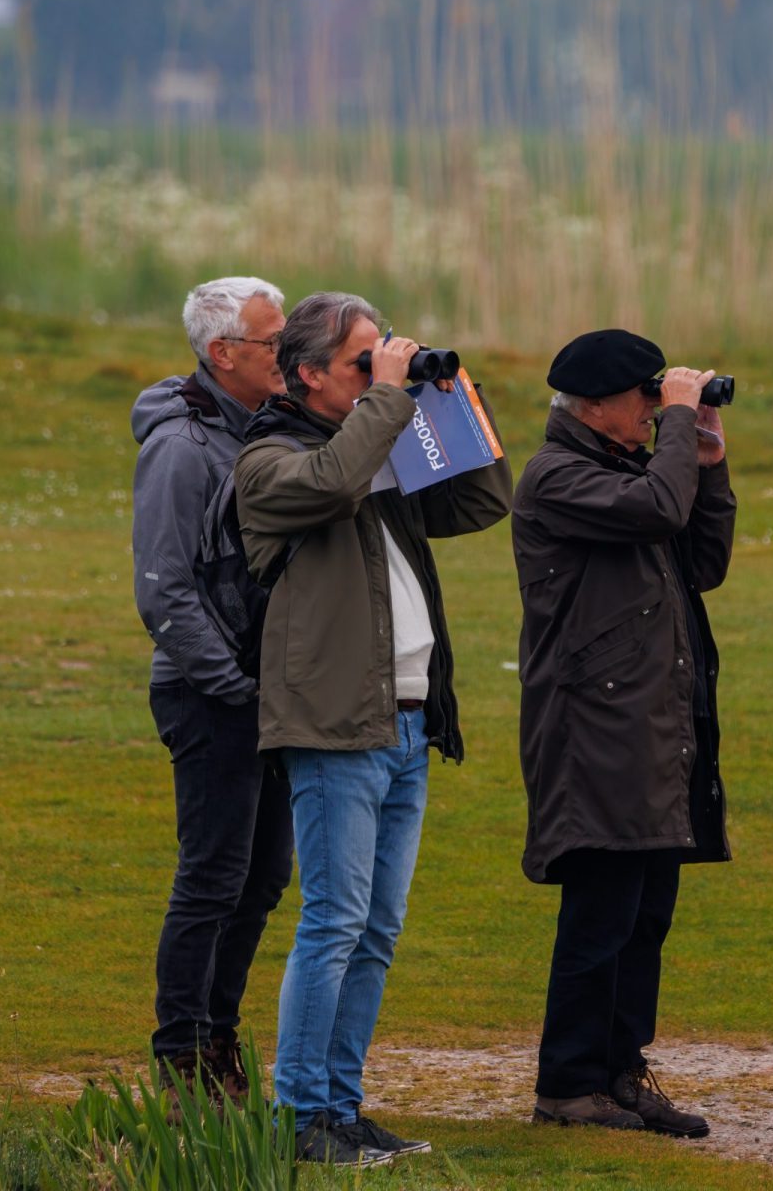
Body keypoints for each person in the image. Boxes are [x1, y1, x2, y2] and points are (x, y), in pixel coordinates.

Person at [232, 292, 512, 1166]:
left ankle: (341, 1110)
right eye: (363, 361)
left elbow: (480, 503)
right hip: (332, 725)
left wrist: (449, 396)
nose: (378, 372)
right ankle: (300, 1118)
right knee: (334, 922)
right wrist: (390, 403)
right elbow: (333, 483)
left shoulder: (376, 452)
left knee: (376, 929)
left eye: (381, 357)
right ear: (308, 373)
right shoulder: (271, 462)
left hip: (405, 722)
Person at [512, 328, 736, 1138]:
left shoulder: (628, 469)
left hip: (648, 724)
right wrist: (678, 433)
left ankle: (617, 1069)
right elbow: (657, 510)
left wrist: (707, 459)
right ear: (597, 404)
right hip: (595, 729)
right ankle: (569, 1084)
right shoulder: (556, 477)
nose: (654, 409)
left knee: (645, 912)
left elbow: (701, 557)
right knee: (601, 911)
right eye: (647, 397)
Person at [130, 276, 291, 1107]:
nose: (286, 353)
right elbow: (164, 589)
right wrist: (233, 685)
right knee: (212, 877)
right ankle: (182, 1058)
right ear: (223, 354)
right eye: (272, 343)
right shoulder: (182, 447)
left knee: (264, 877)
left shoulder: (255, 427)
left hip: (263, 696)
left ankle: (217, 1037)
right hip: (212, 696)